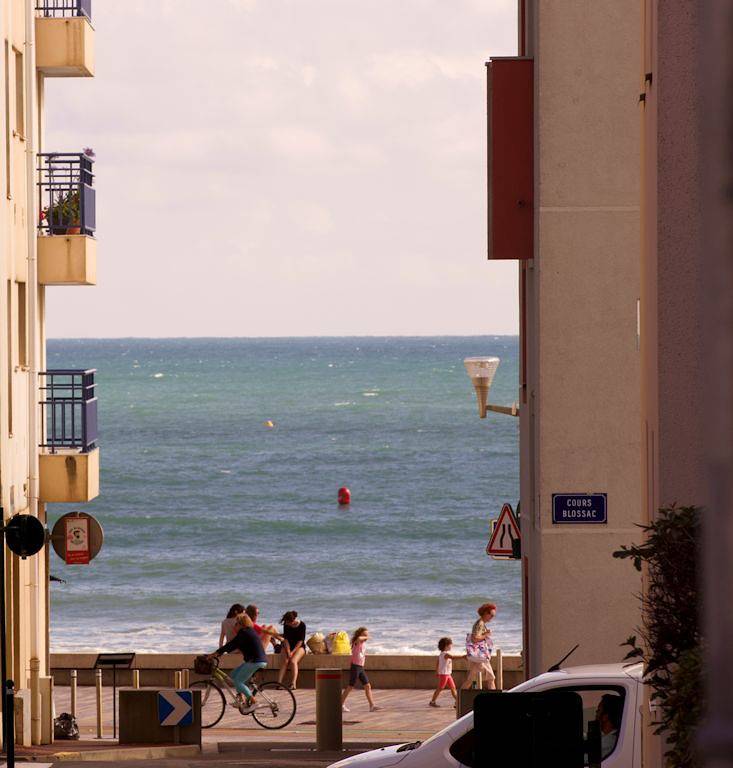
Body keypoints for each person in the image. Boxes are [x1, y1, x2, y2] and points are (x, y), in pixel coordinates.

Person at [210, 613, 267, 713]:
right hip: (256, 661)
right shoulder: (248, 632)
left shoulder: (244, 633)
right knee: (233, 675)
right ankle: (241, 699)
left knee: (238, 681)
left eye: (236, 623)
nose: (235, 625)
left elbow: (231, 645)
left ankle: (254, 702)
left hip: (255, 662)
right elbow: (233, 645)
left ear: (241, 624)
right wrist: (219, 653)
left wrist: (216, 653)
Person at [341, 627, 380, 712]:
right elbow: (359, 638)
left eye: (367, 635)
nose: (366, 637)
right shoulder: (357, 642)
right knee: (350, 686)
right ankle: (340, 704)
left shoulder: (363, 644)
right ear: (360, 635)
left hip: (360, 667)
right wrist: (367, 637)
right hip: (355, 667)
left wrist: (366, 637)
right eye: (364, 635)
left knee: (367, 686)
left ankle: (372, 706)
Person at [462, 602, 497, 690]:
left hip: (479, 656)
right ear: (485, 613)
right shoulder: (480, 624)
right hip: (480, 657)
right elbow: (475, 638)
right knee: (490, 678)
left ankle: (459, 697)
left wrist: (485, 633)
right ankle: (459, 697)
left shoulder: (481, 623)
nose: (492, 617)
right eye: (491, 615)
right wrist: (486, 635)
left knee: (472, 680)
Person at [429, 637, 463, 707]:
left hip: (448, 674)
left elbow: (438, 663)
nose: (451, 646)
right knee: (440, 688)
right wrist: (463, 657)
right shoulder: (445, 654)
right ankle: (432, 701)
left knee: (453, 688)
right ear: (446, 646)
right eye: (450, 645)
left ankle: (458, 702)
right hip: (444, 674)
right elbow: (453, 657)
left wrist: (437, 671)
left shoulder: (442, 654)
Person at [278, 610, 307, 690]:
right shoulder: (286, 625)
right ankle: (279, 683)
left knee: (293, 661)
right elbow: (286, 639)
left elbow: (300, 641)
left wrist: (292, 652)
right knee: (285, 661)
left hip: (299, 647)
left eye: (287, 622)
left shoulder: (302, 625)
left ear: (292, 621)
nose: (286, 624)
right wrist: (288, 651)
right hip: (287, 646)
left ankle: (293, 684)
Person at [596, 694, 623, 758]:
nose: (596, 714)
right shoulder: (607, 737)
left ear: (605, 717)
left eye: (598, 710)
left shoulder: (607, 742)